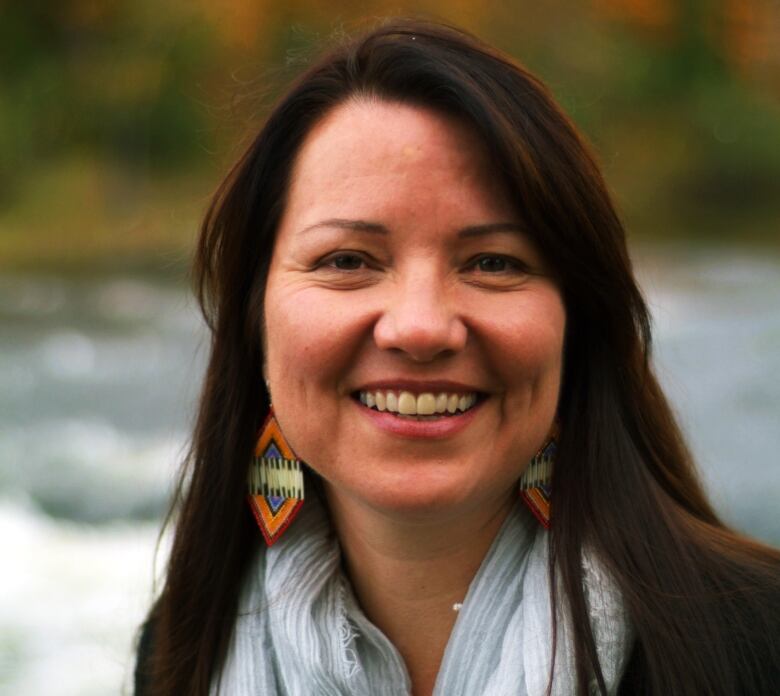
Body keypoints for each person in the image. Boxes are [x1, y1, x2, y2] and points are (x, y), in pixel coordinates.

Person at [134, 19, 780, 696]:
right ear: (255, 321)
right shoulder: (182, 650)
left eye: (493, 263)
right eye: (348, 260)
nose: (420, 327)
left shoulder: (755, 646)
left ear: (576, 324)